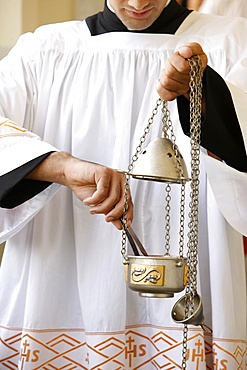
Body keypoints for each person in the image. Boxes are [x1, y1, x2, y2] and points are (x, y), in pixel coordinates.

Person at [0, 0, 246, 368]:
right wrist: (63, 167)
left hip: (193, 292)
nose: (138, 2)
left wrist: (205, 92)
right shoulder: (45, 51)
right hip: (56, 282)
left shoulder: (229, 41)